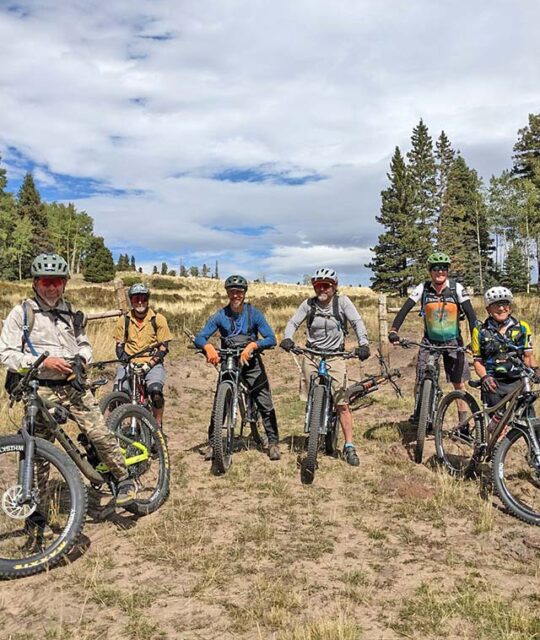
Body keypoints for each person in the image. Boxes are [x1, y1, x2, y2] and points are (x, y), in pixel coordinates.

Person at [0, 253, 136, 506]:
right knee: (39, 451)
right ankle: (36, 507)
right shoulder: (22, 313)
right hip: (39, 389)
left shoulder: (72, 312)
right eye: (45, 282)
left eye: (57, 281)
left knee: (99, 434)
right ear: (35, 283)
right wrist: (43, 361)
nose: (52, 287)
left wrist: (81, 360)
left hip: (73, 386)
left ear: (65, 283)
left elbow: (85, 345)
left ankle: (124, 478)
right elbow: (6, 354)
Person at [280, 267, 370, 467]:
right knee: (311, 396)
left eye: (326, 286)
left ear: (334, 287)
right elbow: (293, 322)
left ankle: (348, 446)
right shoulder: (309, 304)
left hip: (336, 356)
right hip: (312, 355)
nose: (322, 289)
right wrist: (287, 338)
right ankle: (314, 425)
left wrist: (363, 343)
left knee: (342, 403)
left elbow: (357, 322)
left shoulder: (342, 303)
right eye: (318, 285)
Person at [194, 275, 280, 460]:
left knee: (264, 401)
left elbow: (271, 338)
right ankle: (213, 443)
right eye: (232, 291)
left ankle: (272, 442)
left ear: (244, 293)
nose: (235, 295)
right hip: (229, 360)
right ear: (227, 293)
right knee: (220, 403)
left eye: (239, 292)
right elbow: (200, 337)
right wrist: (208, 347)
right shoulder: (220, 315)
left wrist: (253, 346)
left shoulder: (254, 314)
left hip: (251, 361)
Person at [388, 252, 477, 423]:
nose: (440, 272)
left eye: (443, 268)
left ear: (447, 271)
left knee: (459, 384)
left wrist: (474, 342)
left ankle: (463, 424)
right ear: (430, 271)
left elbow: (472, 317)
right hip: (430, 341)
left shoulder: (456, 288)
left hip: (453, 341)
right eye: (436, 269)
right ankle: (418, 412)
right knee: (421, 377)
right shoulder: (423, 288)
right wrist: (394, 330)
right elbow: (405, 309)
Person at [472, 286, 539, 415]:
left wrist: (536, 370)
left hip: (518, 381)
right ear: (488, 309)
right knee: (497, 428)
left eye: (505, 303)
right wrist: (485, 377)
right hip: (494, 383)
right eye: (496, 305)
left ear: (510, 307)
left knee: (529, 420)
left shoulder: (522, 327)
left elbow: (528, 356)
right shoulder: (480, 331)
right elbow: (477, 361)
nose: (502, 308)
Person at [113, 283, 173, 428]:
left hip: (152, 363)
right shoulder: (124, 320)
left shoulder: (158, 319)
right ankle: (115, 428)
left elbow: (163, 347)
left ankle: (158, 425)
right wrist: (126, 361)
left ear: (147, 300)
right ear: (131, 301)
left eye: (143, 298)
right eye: (135, 299)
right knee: (118, 392)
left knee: (156, 393)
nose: (140, 302)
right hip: (130, 362)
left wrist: (149, 364)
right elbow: (119, 345)